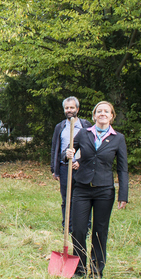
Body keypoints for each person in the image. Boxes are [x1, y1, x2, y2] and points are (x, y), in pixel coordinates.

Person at [69, 101, 128, 278]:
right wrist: (68, 154)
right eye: (99, 111)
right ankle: (79, 269)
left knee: (99, 231)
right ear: (94, 116)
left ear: (111, 116)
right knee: (78, 229)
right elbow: (70, 151)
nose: (103, 114)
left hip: (104, 190)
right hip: (82, 188)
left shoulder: (118, 138)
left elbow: (122, 168)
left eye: (106, 111)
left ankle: (96, 270)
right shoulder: (83, 133)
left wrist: (123, 194)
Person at [50, 97, 91, 232]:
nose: (69, 110)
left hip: (82, 168)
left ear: (77, 109)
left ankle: (86, 225)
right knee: (66, 199)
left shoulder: (86, 126)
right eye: (67, 108)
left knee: (83, 198)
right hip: (64, 167)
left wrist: (80, 162)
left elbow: (92, 149)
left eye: (72, 108)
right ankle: (67, 225)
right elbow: (55, 148)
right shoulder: (60, 127)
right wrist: (54, 169)